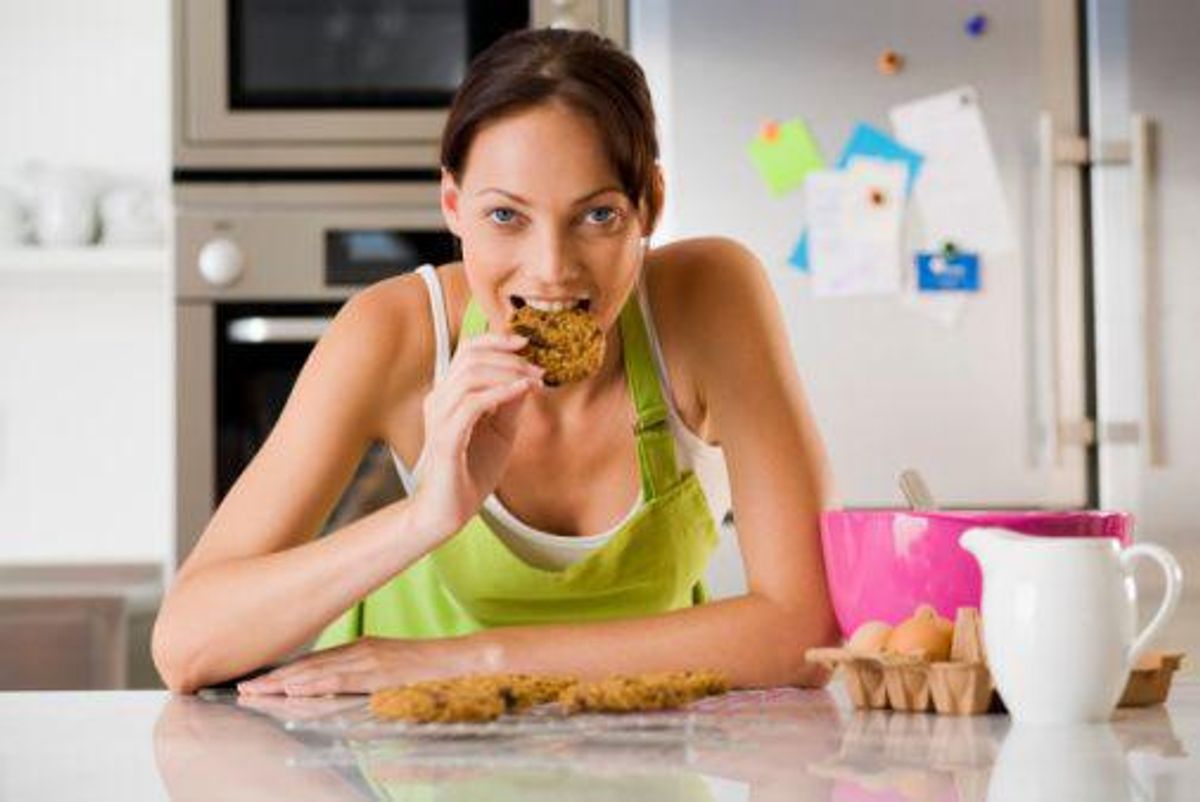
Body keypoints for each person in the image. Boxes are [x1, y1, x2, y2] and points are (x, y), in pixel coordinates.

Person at [152, 28, 838, 696]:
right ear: (453, 206)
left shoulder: (710, 300)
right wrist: (425, 517)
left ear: (650, 204)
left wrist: (480, 661)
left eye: (598, 216)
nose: (552, 269)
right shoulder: (393, 332)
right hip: (399, 749)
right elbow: (186, 646)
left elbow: (807, 630)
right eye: (507, 216)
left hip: (649, 751)